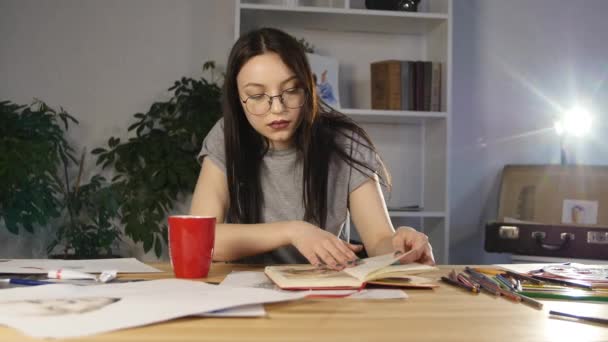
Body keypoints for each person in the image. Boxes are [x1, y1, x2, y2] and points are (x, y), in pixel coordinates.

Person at [190, 27, 434, 269]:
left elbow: (379, 240)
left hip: (326, 293)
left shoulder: (345, 142)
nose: (277, 108)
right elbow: (199, 238)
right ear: (238, 99)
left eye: (291, 90)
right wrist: (293, 231)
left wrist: (401, 245)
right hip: (246, 294)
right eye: (256, 95)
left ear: (308, 87)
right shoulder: (226, 137)